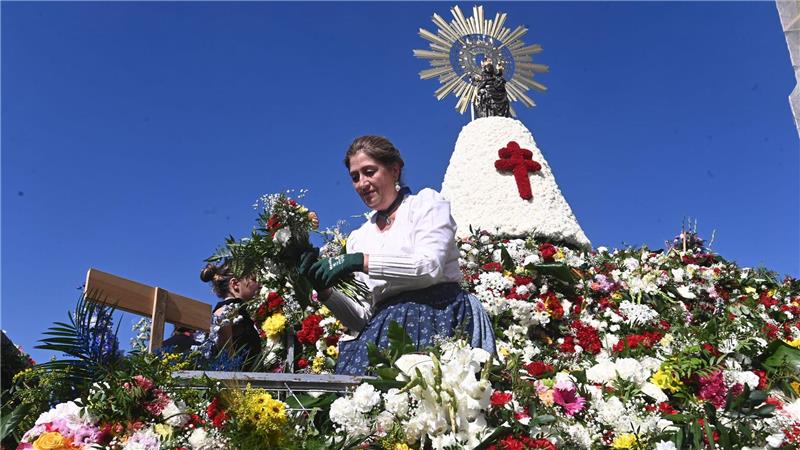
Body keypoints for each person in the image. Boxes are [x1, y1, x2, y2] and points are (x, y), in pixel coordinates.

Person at [300, 135, 495, 375]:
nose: (362, 183)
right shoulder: (359, 237)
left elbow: (429, 268)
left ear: (394, 170)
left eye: (369, 172)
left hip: (438, 315)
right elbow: (362, 317)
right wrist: (326, 292)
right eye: (355, 177)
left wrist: (361, 261)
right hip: (386, 328)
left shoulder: (426, 205)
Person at [200, 262, 262, 368]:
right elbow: (224, 350)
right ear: (235, 284)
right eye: (254, 280)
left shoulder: (238, 311)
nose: (259, 285)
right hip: (238, 381)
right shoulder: (227, 311)